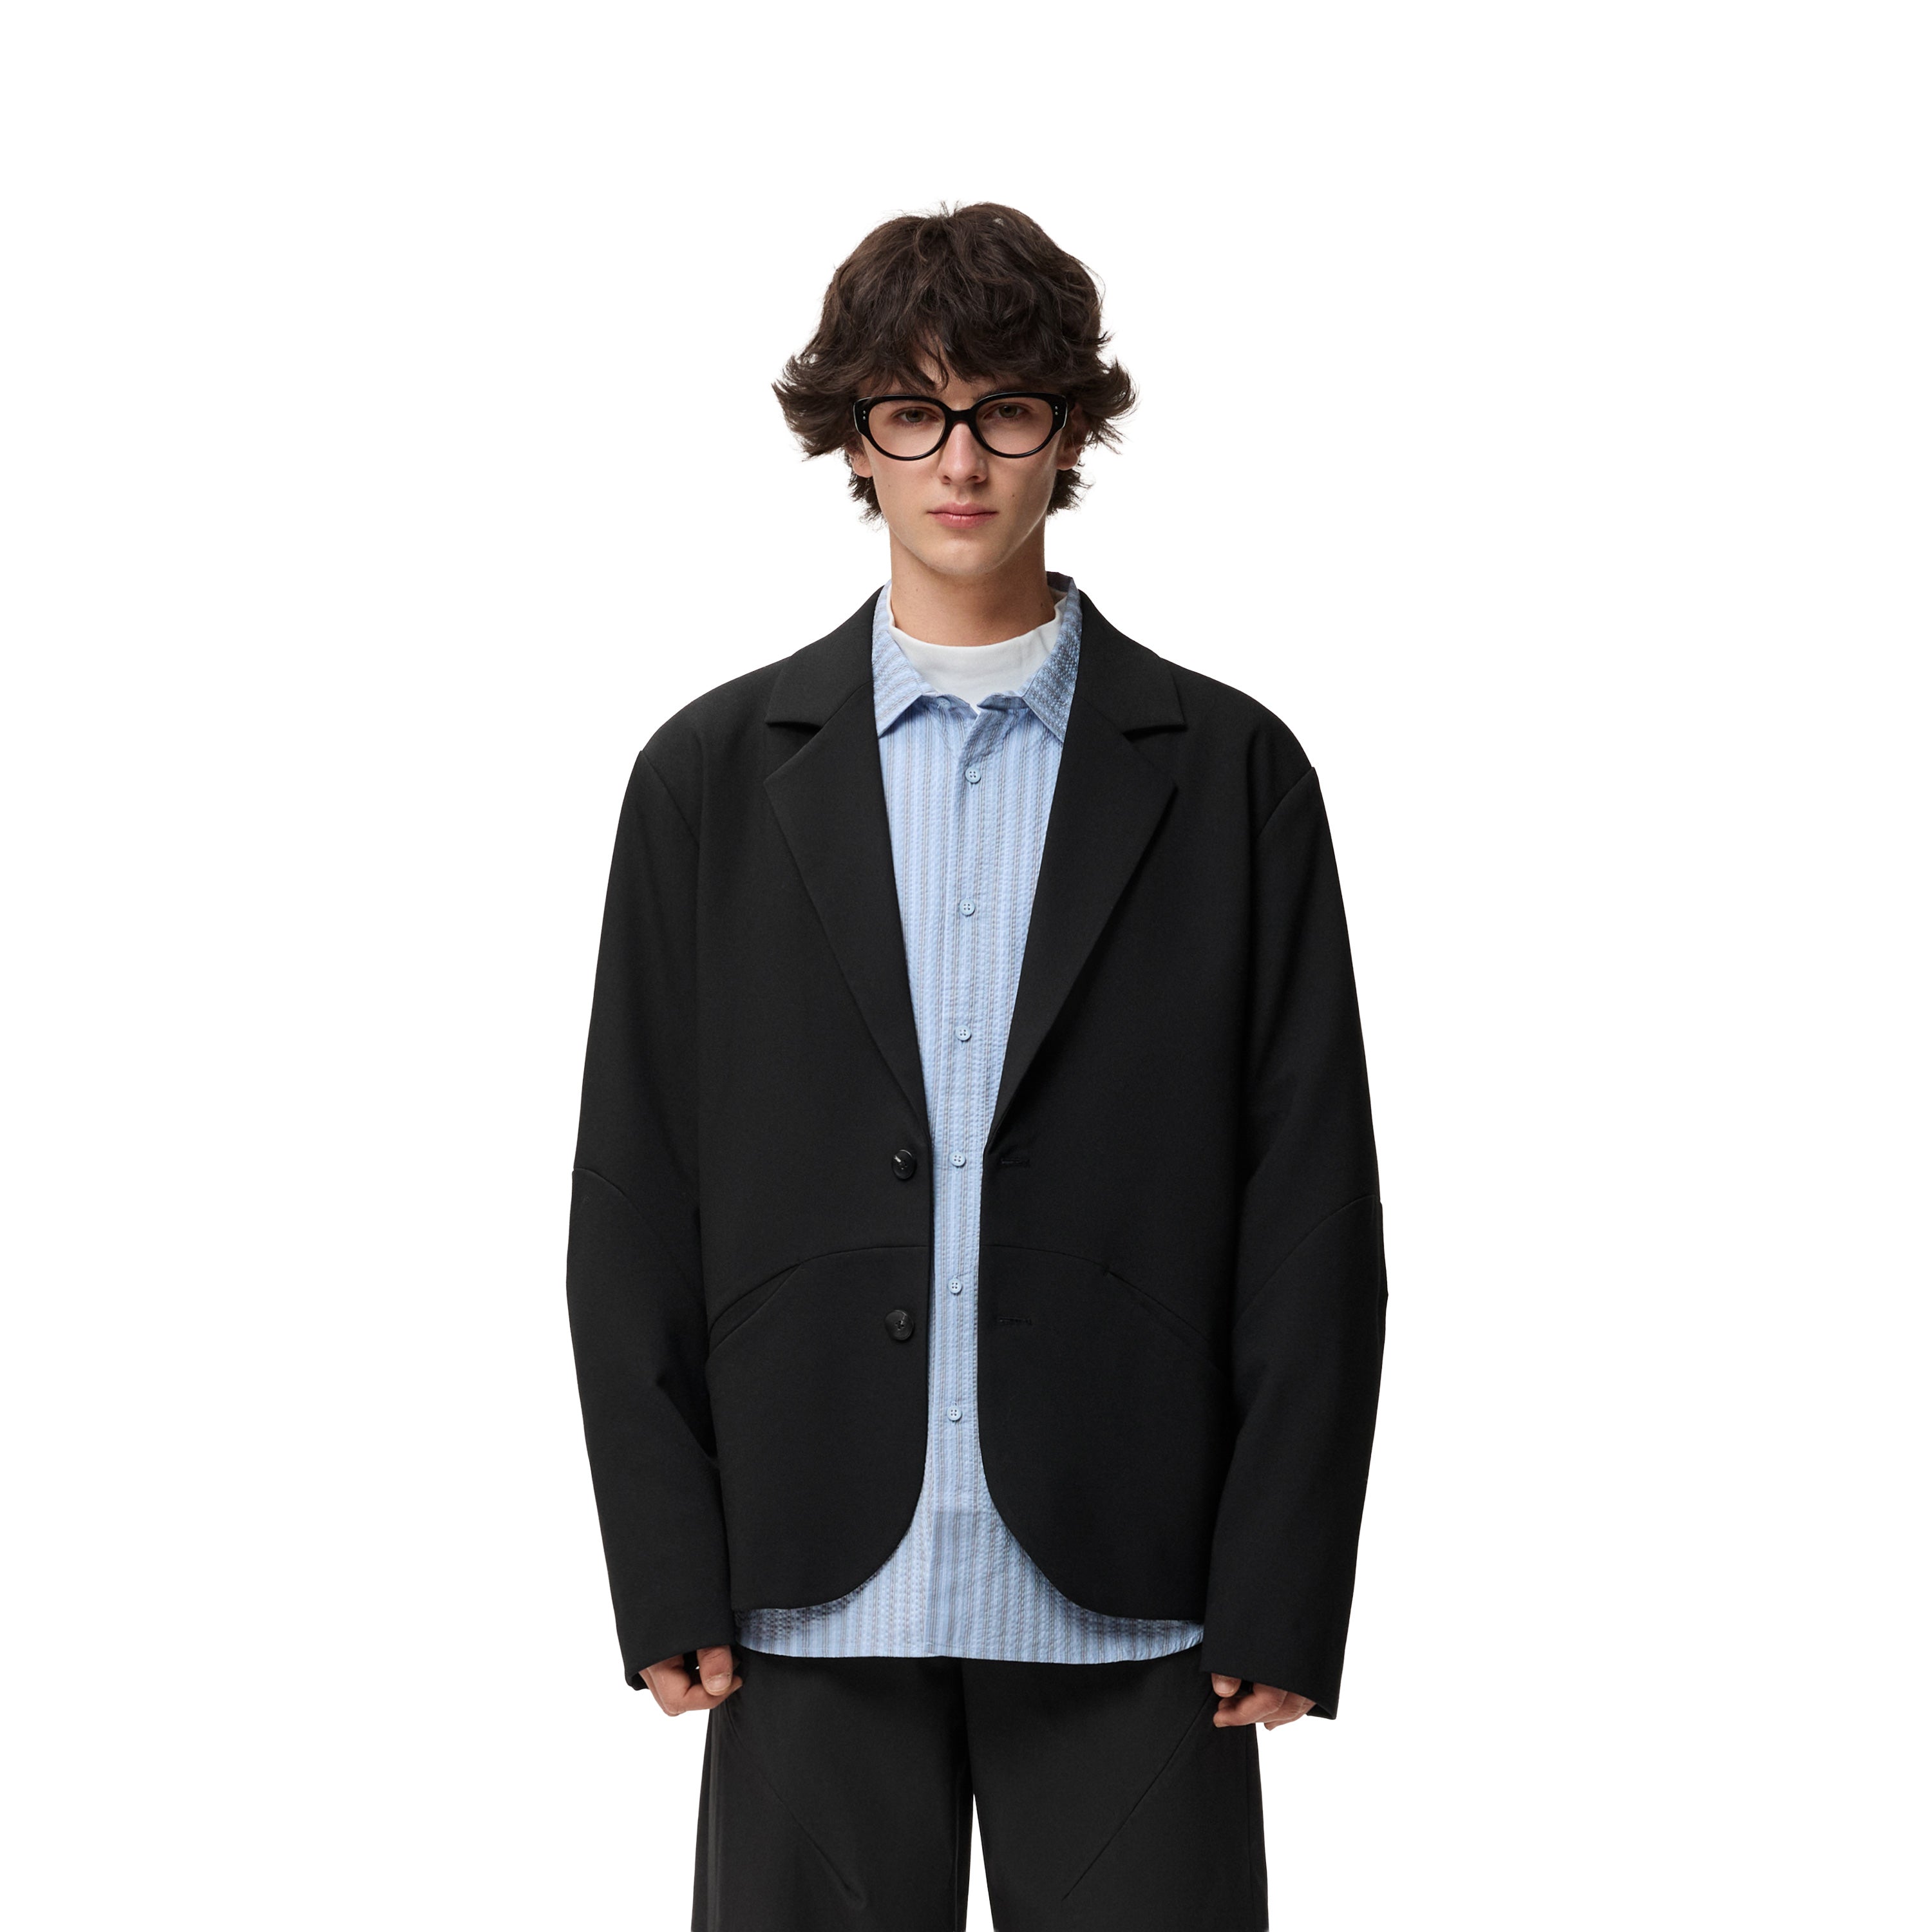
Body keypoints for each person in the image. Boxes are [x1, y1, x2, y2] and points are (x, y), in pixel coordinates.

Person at [566, 202, 1387, 1931]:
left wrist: (1283, 1582)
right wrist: (664, 1563)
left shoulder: (1232, 775)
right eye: (912, 411)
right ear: (853, 435)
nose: (959, 460)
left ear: (1070, 431)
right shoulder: (709, 780)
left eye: (1006, 410)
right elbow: (635, 1191)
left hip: (1141, 1583)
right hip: (803, 1576)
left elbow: (1313, 1205)